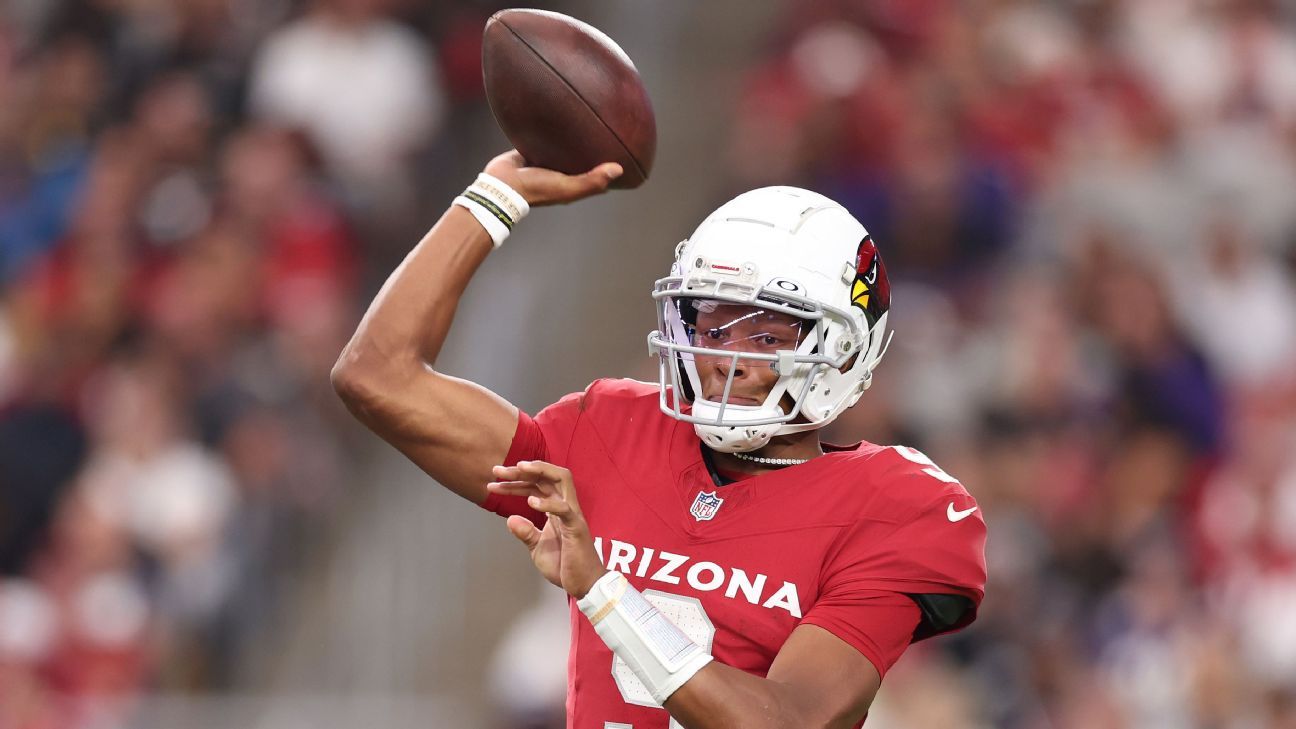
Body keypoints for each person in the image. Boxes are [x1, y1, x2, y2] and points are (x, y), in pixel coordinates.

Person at [331, 151, 987, 728]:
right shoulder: (613, 434)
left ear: (845, 350)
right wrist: (495, 197)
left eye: (767, 336)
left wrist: (603, 591)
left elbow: (786, 722)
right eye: (713, 327)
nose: (726, 359)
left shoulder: (896, 509)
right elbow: (377, 376)